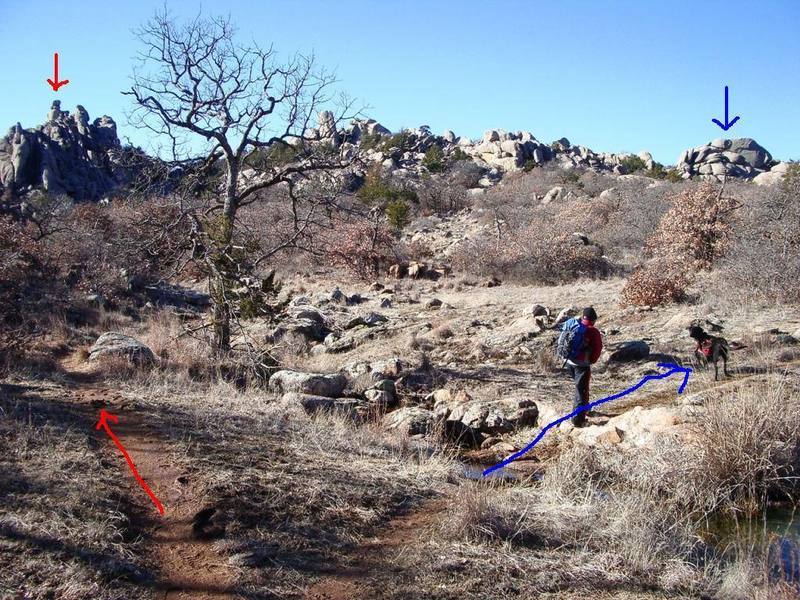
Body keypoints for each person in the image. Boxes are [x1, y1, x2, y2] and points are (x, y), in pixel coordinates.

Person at [566, 307, 603, 427]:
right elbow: (597, 349)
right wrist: (591, 361)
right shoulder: (593, 331)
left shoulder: (574, 326)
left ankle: (585, 410)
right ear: (594, 320)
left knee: (581, 388)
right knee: (581, 391)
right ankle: (578, 420)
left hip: (569, 362)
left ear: (583, 318)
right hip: (582, 364)